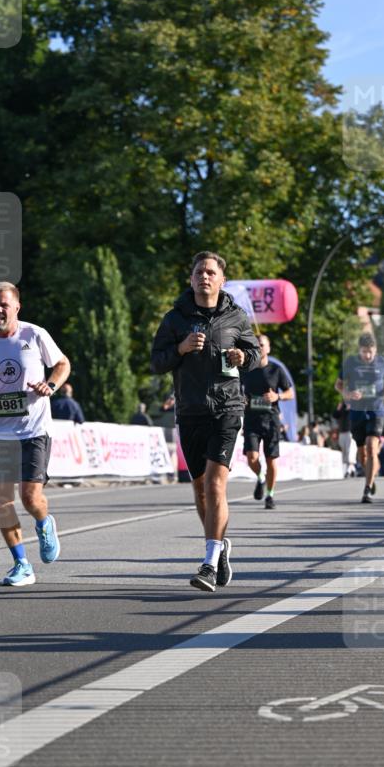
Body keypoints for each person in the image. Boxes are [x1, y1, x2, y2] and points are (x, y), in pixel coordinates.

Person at [150, 251, 260, 592]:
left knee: (215, 485)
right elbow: (156, 361)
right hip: (190, 411)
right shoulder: (175, 319)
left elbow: (255, 355)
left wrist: (244, 356)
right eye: (199, 272)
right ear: (191, 278)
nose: (205, 277)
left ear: (221, 280)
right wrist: (180, 349)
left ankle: (209, 563)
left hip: (227, 409)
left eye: (211, 272)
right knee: (200, 490)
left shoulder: (237, 317)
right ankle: (221, 545)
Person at [0, 282, 71, 587]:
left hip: (34, 429)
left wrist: (51, 385)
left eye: (4, 305)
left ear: (16, 307)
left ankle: (43, 521)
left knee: (30, 497)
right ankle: (21, 563)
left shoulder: (34, 334)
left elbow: (62, 363)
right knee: (3, 502)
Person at [335, 332, 384, 503]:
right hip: (357, 412)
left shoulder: (383, 362)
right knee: (362, 455)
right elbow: (338, 384)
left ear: (375, 350)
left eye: (370, 352)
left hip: (376, 410)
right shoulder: (350, 363)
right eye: (364, 352)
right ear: (359, 350)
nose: (367, 355)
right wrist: (347, 393)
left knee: (371, 446)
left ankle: (367, 488)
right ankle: (371, 475)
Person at [240, 334, 294, 509]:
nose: (259, 347)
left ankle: (270, 495)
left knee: (271, 460)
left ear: (268, 348)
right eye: (256, 345)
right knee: (252, 458)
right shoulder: (246, 369)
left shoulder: (276, 370)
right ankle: (260, 477)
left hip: (271, 419)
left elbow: (290, 393)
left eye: (262, 345)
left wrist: (276, 396)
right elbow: (237, 391)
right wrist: (241, 399)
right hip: (251, 419)